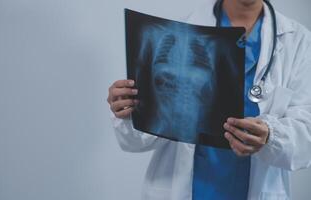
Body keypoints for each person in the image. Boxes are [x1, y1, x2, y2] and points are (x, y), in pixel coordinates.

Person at [107, 0, 311, 199]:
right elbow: (135, 141)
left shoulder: (299, 42)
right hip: (184, 188)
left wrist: (271, 137)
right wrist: (129, 110)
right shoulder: (177, 33)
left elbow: (306, 137)